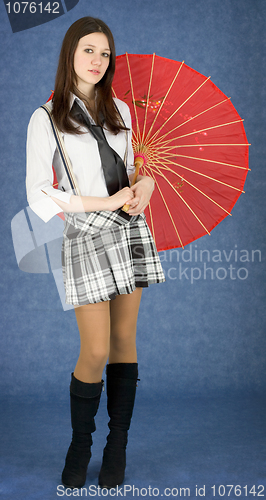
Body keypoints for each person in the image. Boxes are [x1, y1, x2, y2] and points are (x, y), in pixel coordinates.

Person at [26, 16, 165, 490]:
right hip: (86, 232)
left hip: (128, 227)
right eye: (88, 50)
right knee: (97, 347)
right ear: (70, 54)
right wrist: (99, 202)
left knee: (124, 342)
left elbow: (129, 168)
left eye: (104, 53)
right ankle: (80, 445)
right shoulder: (46, 117)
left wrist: (143, 181)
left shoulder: (120, 108)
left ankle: (116, 447)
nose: (97, 61)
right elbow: (39, 194)